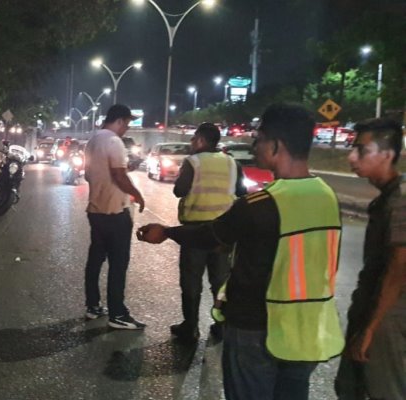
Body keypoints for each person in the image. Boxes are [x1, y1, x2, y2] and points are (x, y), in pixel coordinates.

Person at [137, 103, 345, 399]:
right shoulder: (327, 197)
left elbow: (210, 236)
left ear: (276, 145)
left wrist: (167, 232)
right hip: (307, 329)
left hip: (256, 328)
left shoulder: (260, 205)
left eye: (258, 139)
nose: (254, 145)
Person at [335, 118, 406, 400]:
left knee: (382, 390)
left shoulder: (399, 201)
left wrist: (372, 327)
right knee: (349, 387)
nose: (351, 157)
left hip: (387, 318)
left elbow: (399, 268)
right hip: (370, 310)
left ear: (387, 155)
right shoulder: (386, 198)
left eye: (361, 150)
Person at [170, 122, 247, 343]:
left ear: (201, 140)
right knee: (221, 280)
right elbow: (241, 191)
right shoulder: (232, 163)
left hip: (196, 231)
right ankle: (222, 325)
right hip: (224, 231)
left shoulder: (193, 162)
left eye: (194, 139)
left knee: (191, 280)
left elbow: (179, 190)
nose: (192, 143)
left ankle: (191, 328)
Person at [82, 104, 146, 329]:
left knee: (95, 259)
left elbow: (89, 174)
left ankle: (93, 306)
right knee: (118, 264)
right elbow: (119, 174)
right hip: (115, 213)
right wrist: (136, 194)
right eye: (127, 123)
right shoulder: (114, 141)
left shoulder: (93, 140)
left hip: (96, 210)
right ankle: (118, 314)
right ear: (119, 120)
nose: (127, 128)